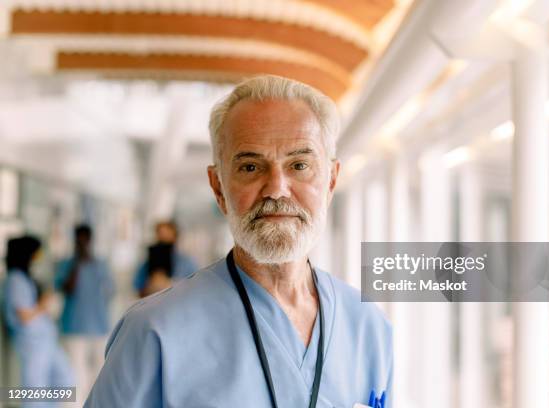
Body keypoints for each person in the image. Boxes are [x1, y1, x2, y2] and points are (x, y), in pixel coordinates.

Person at [85, 75, 393, 407]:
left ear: (331, 181)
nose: (276, 188)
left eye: (299, 165)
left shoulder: (367, 327)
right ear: (218, 187)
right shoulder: (154, 332)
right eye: (250, 167)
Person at [2, 235, 74, 406]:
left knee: (65, 381)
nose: (38, 258)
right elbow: (25, 316)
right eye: (36, 254)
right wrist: (44, 303)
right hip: (31, 343)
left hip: (45, 340)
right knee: (34, 390)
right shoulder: (15, 280)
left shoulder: (24, 278)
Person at [55, 224, 115, 406]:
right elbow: (65, 289)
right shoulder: (67, 264)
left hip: (99, 325)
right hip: (73, 326)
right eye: (78, 240)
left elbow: (110, 292)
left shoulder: (101, 264)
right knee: (74, 372)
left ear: (90, 240)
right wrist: (77, 266)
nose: (81, 243)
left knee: (99, 371)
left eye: (84, 240)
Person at [132, 221, 198, 297]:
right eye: (160, 235)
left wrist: (172, 284)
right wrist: (150, 286)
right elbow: (138, 287)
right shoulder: (147, 263)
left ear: (175, 236)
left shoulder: (186, 262)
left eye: (167, 235)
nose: (163, 238)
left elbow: (195, 287)